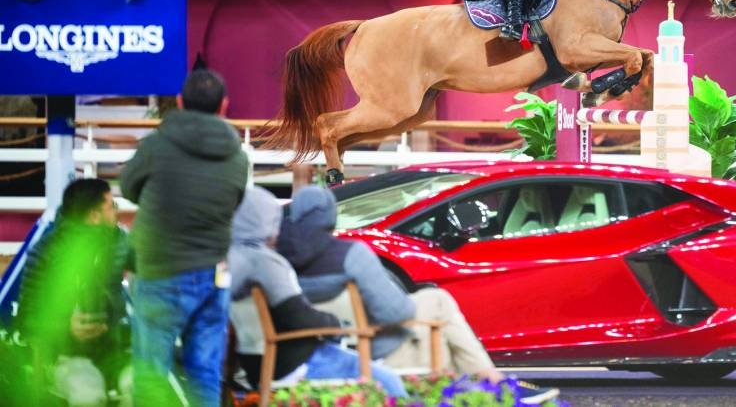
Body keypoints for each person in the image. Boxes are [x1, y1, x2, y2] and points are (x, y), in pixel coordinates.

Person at [276, 185, 559, 405]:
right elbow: (395, 313)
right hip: (373, 351)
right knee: (438, 305)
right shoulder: (350, 254)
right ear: (330, 215)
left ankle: (487, 383)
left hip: (315, 350)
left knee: (435, 305)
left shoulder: (277, 258)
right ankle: (492, 383)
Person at [120, 69, 249, 407]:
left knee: (151, 373)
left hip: (160, 272)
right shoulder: (238, 157)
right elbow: (234, 202)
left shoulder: (156, 146)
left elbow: (128, 188)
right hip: (213, 274)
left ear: (179, 102)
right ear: (224, 106)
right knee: (205, 372)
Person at [227, 185, 406, 398]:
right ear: (265, 221)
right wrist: (334, 323)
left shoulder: (227, 260)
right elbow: (297, 316)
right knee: (388, 381)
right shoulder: (267, 264)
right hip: (295, 361)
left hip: (254, 365)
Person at [17, 177, 132, 407]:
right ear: (94, 216)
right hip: (66, 354)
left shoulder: (119, 241)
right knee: (88, 396)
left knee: (145, 389)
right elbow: (27, 320)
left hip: (116, 347)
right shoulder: (46, 253)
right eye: (111, 206)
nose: (116, 212)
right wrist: (67, 327)